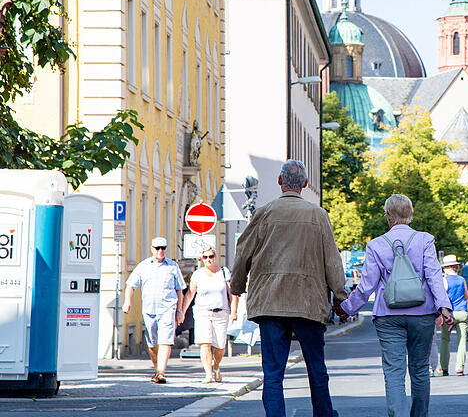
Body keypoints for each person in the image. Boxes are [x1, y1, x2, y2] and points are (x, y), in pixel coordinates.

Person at [230, 160, 348, 417]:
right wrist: (341, 298)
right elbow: (332, 260)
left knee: (273, 373)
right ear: (305, 184)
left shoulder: (264, 213)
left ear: (280, 182)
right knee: (316, 368)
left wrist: (237, 286)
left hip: (270, 303)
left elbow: (242, 253)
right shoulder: (318, 215)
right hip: (309, 303)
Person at [336, 194, 454, 417]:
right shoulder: (425, 240)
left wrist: (347, 308)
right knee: (420, 370)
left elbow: (367, 285)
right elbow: (434, 276)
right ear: (410, 215)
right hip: (422, 313)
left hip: (388, 315)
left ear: (387, 216)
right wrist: (444, 306)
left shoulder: (376, 245)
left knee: (394, 371)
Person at [123, 237, 186, 384]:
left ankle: (161, 372)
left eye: (163, 248)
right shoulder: (143, 266)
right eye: (157, 248)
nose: (160, 251)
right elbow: (130, 285)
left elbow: (179, 290)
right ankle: (157, 369)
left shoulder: (172, 266)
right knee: (152, 344)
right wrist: (127, 301)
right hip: (149, 310)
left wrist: (179, 310)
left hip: (167, 309)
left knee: (166, 341)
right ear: (152, 249)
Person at [181, 246, 237, 383]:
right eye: (205, 257)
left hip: (221, 313)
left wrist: (234, 311)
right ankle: (208, 374)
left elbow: (232, 294)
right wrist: (181, 312)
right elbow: (189, 294)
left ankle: (216, 367)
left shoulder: (224, 272)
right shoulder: (197, 274)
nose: (208, 260)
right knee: (205, 343)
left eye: (211, 256)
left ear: (215, 257)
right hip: (202, 313)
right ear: (201, 259)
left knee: (220, 346)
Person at [439, 254, 468, 376]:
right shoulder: (462, 280)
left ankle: (444, 367)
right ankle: (459, 368)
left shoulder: (444, 280)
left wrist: (441, 314)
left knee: (445, 339)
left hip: (449, 314)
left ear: (448, 268)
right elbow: (466, 296)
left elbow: (442, 298)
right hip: (462, 312)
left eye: (444, 268)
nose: (443, 270)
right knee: (462, 341)